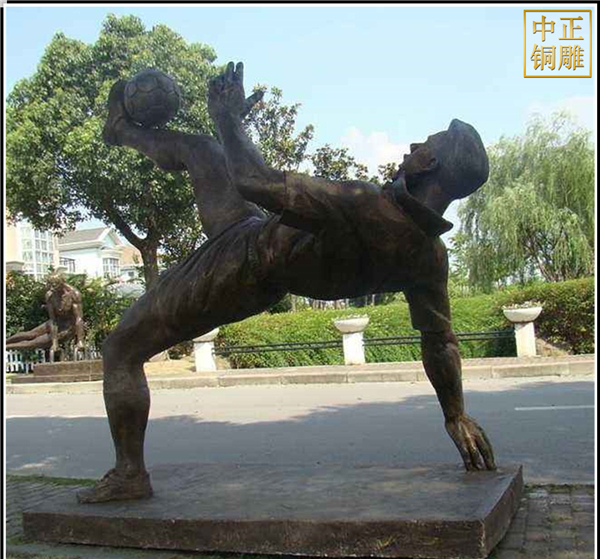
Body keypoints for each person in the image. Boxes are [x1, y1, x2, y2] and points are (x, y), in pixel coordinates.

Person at [77, 62, 495, 504]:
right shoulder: (429, 257)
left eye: (424, 144)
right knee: (203, 150)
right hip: (251, 231)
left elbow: (253, 180)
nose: (413, 147)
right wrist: (456, 415)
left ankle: (129, 474)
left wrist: (226, 117)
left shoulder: (367, 205)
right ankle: (121, 130)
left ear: (429, 163)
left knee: (121, 349)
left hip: (241, 264)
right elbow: (440, 340)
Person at [6, 271, 85, 357]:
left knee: (34, 343)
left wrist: (80, 341)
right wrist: (54, 342)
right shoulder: (50, 295)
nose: (52, 289)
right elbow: (53, 320)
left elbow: (79, 319)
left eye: (55, 286)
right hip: (57, 322)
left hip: (69, 325)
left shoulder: (74, 294)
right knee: (30, 334)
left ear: (62, 283)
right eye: (51, 286)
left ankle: (6, 347)